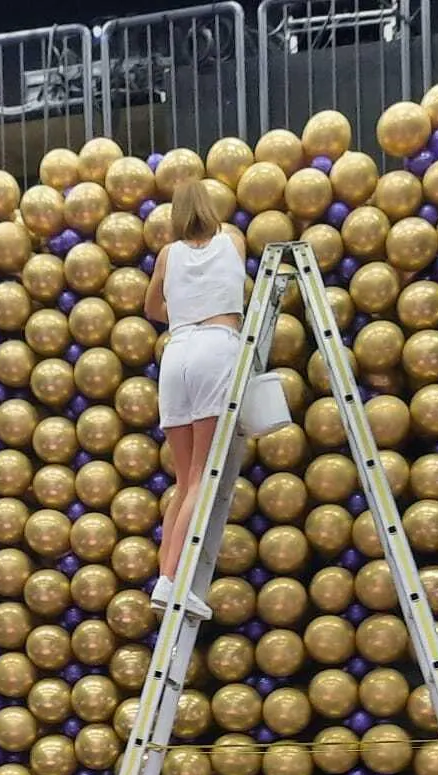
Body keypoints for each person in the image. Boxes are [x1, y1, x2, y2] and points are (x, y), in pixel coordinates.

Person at [144, 178, 249, 619]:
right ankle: (174, 580)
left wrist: (182, 306)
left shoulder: (168, 255)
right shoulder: (233, 240)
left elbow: (152, 309)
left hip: (177, 351)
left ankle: (165, 578)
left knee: (184, 482)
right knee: (203, 477)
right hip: (215, 346)